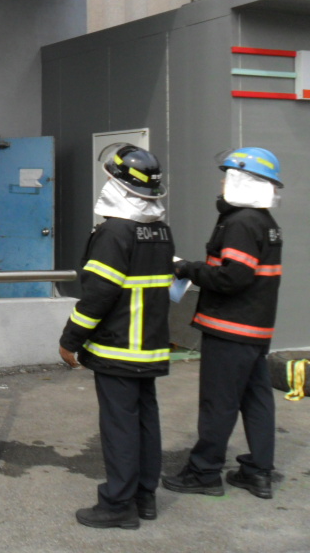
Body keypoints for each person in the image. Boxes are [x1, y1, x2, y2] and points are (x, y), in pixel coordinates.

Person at [59, 144, 174, 530]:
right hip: (149, 348)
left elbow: (98, 294)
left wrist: (70, 339)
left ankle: (118, 505)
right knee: (145, 423)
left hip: (118, 347)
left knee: (120, 428)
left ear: (119, 185)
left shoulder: (114, 232)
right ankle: (144, 498)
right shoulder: (160, 230)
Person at [162, 147, 283, 501]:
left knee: (219, 402)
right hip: (255, 329)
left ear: (243, 180)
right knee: (256, 399)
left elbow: (233, 277)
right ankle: (258, 472)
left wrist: (188, 269)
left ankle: (204, 472)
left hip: (231, 329)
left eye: (227, 176)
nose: (221, 183)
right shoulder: (266, 223)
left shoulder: (241, 222)